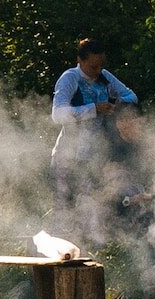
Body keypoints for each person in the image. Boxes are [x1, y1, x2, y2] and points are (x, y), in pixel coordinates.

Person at [49, 37, 139, 233]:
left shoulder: (104, 76)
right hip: (67, 155)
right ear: (80, 61)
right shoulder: (69, 78)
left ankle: (91, 251)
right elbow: (58, 114)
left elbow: (131, 96)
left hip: (93, 155)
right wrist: (93, 108)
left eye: (100, 66)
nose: (97, 71)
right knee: (64, 208)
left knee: (91, 207)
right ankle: (60, 251)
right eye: (93, 67)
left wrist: (116, 106)